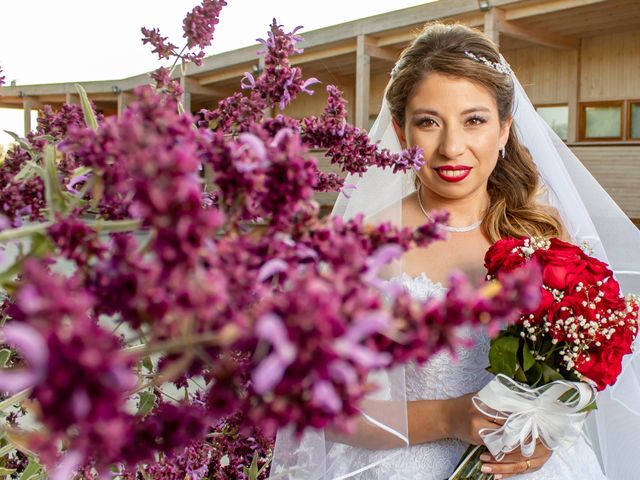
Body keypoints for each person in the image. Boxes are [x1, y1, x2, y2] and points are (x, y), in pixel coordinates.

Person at [270, 21, 640, 479]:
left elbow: (576, 376)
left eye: (475, 120)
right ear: (403, 135)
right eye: (428, 122)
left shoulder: (545, 237)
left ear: (504, 129)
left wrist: (544, 434)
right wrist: (447, 417)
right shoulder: (362, 245)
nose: (451, 147)